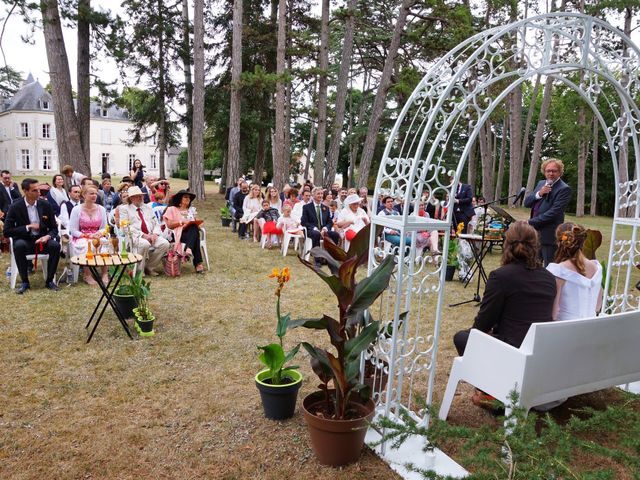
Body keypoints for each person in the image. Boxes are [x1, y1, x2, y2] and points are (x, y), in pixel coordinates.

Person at [452, 221, 556, 407]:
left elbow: (482, 324)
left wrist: (480, 333)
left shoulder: (501, 276)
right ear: (535, 246)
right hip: (538, 356)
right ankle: (491, 392)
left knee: (462, 337)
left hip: (512, 356)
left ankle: (492, 394)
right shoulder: (548, 277)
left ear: (507, 245)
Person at [3, 178, 61, 293]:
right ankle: (25, 282)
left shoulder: (45, 204)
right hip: (25, 240)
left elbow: (54, 228)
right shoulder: (15, 206)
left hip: (42, 240)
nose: (39, 193)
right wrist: (28, 227)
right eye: (35, 190)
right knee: (19, 246)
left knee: (55, 246)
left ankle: (49, 280)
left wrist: (47, 237)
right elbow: (7, 231)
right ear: (25, 191)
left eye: (39, 190)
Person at [547, 223, 603, 321]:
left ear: (559, 242)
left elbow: (553, 314)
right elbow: (598, 306)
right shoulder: (596, 268)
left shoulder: (558, 271)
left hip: (565, 329)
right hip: (591, 327)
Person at [524, 158, 571, 266]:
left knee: (550, 268)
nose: (550, 173)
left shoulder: (564, 189)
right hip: (534, 233)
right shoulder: (541, 184)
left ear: (560, 172)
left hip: (550, 235)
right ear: (544, 172)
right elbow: (527, 203)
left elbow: (553, 213)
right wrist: (539, 194)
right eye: (548, 171)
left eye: (554, 171)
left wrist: (530, 222)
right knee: (533, 265)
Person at [120, 186, 170, 276]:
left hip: (150, 235)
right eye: (138, 196)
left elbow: (156, 223)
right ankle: (139, 270)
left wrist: (155, 234)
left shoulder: (147, 207)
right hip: (135, 236)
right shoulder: (124, 209)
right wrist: (143, 235)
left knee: (165, 244)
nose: (141, 198)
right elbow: (125, 227)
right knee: (144, 243)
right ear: (131, 198)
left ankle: (149, 267)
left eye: (141, 196)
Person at [69, 185, 109, 285]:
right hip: (81, 236)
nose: (94, 196)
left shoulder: (101, 209)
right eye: (91, 193)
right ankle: (87, 275)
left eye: (95, 193)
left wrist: (99, 233)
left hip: (97, 235)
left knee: (105, 243)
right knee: (89, 245)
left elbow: (104, 227)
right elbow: (73, 230)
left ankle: (104, 273)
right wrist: (87, 236)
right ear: (84, 195)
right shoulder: (77, 209)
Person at [163, 190, 204, 273]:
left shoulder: (191, 211)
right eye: (185, 197)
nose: (188, 199)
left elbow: (197, 225)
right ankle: (197, 263)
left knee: (193, 227)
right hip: (177, 234)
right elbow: (169, 225)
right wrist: (182, 222)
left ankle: (188, 248)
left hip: (190, 234)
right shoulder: (171, 209)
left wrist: (198, 224)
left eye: (189, 198)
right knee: (195, 236)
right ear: (179, 199)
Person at [301, 187, 340, 265]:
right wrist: (315, 228)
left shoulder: (325, 207)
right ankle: (317, 260)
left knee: (335, 235)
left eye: (321, 193)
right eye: (318, 194)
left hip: (323, 230)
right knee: (316, 234)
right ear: (313, 195)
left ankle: (329, 258)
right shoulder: (307, 207)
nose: (320, 195)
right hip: (311, 230)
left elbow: (330, 222)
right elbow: (304, 222)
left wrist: (325, 228)